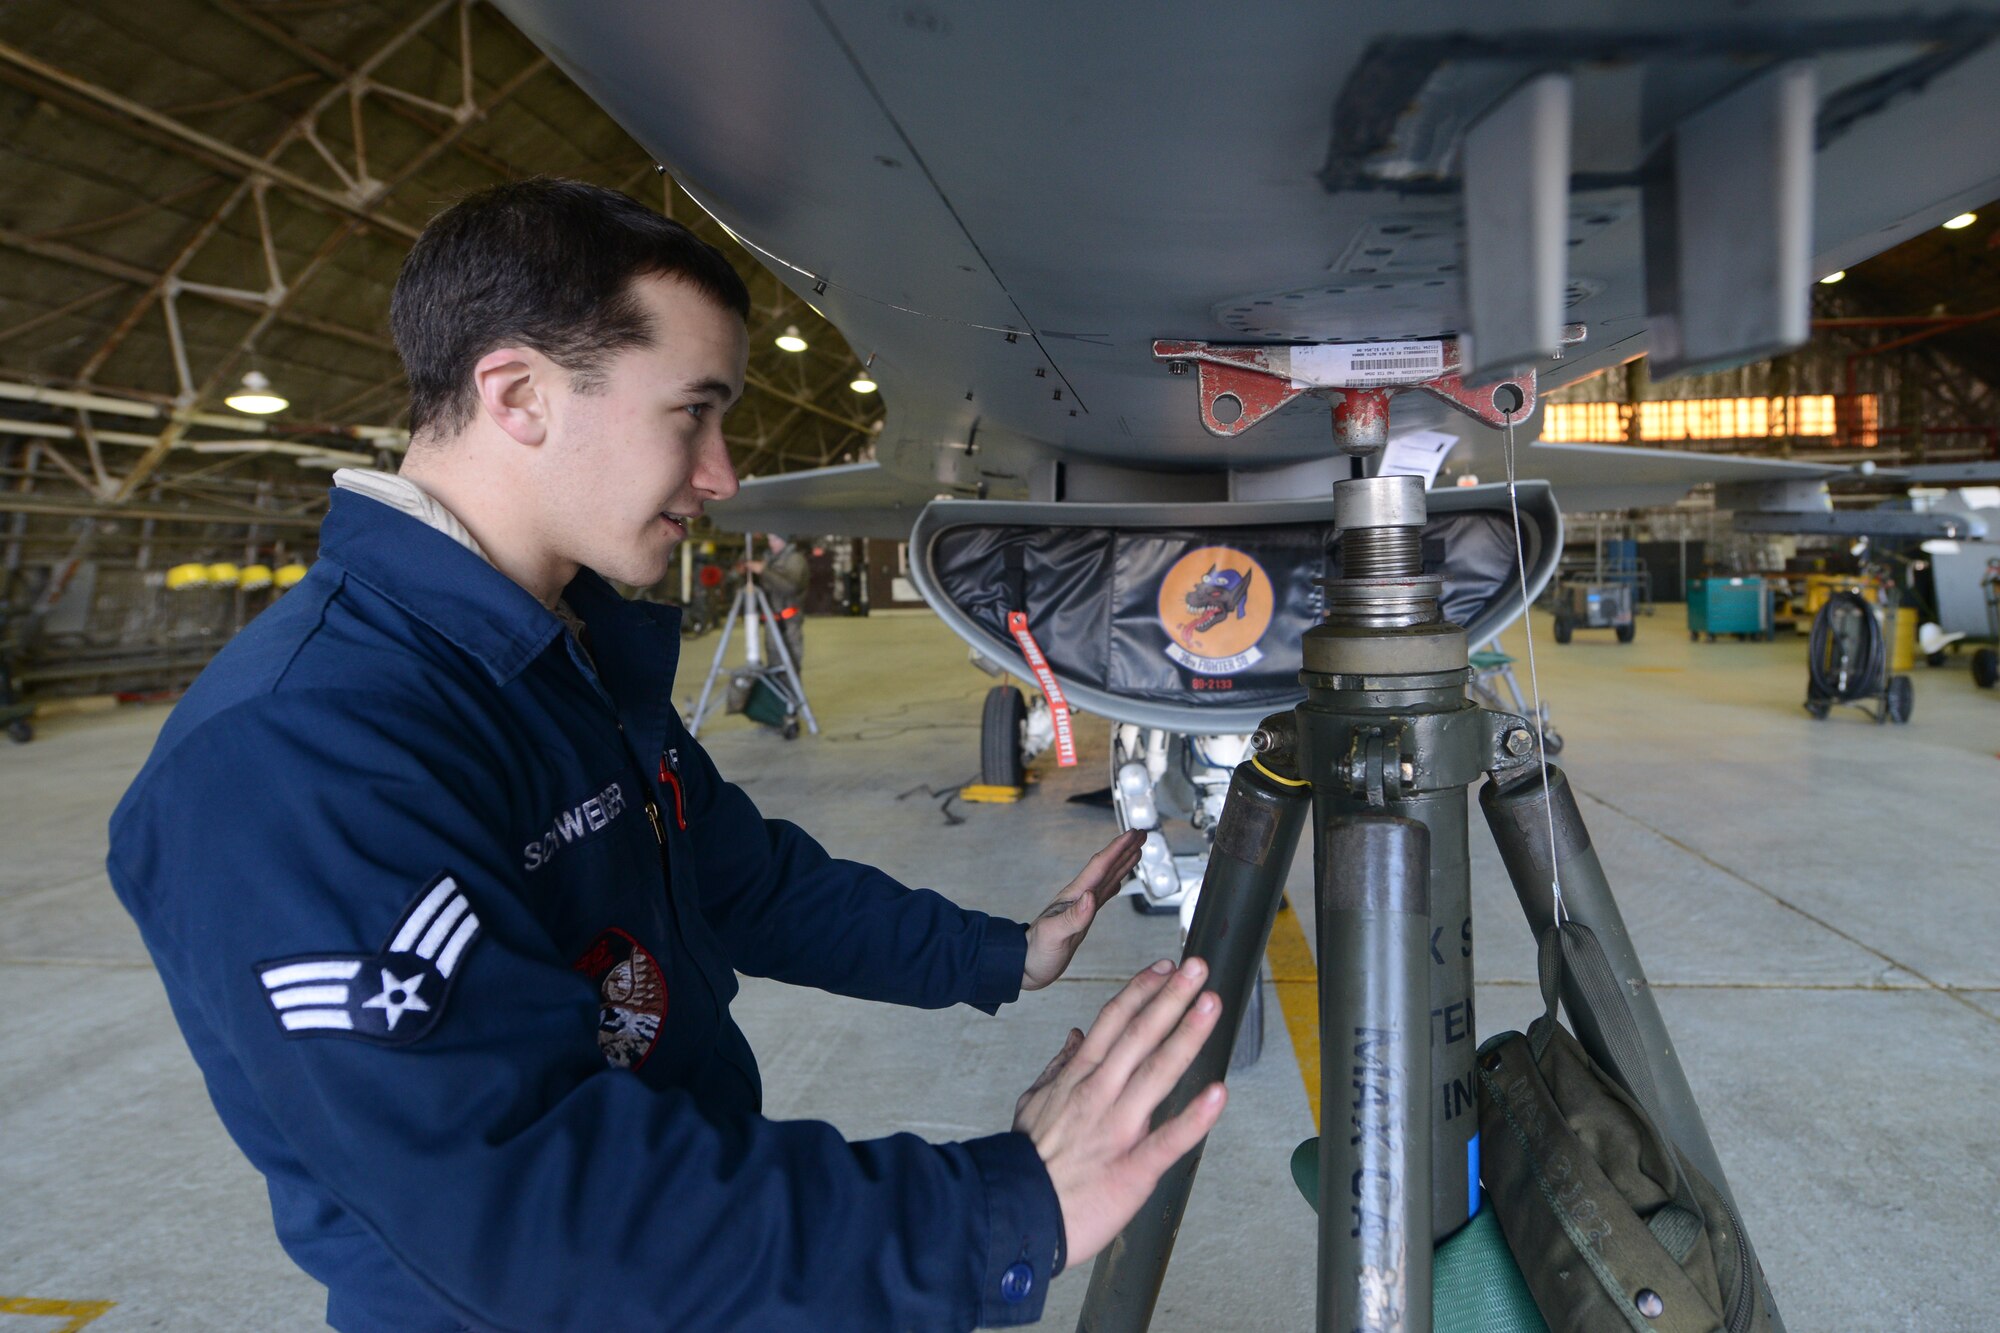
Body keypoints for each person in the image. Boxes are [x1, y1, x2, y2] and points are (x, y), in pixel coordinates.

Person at [106, 179, 1226, 1333]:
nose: (723, 474)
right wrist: (995, 1207)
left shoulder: (559, 655)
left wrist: (997, 952)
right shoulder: (299, 749)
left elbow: (734, 876)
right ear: (518, 395)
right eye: (692, 412)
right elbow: (528, 1213)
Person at [745, 532, 808, 666]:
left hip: (789, 623)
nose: (771, 543)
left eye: (775, 539)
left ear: (785, 540)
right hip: (772, 620)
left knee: (790, 664)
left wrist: (764, 571)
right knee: (773, 663)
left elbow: (790, 587)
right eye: (769, 539)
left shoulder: (795, 560)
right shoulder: (769, 559)